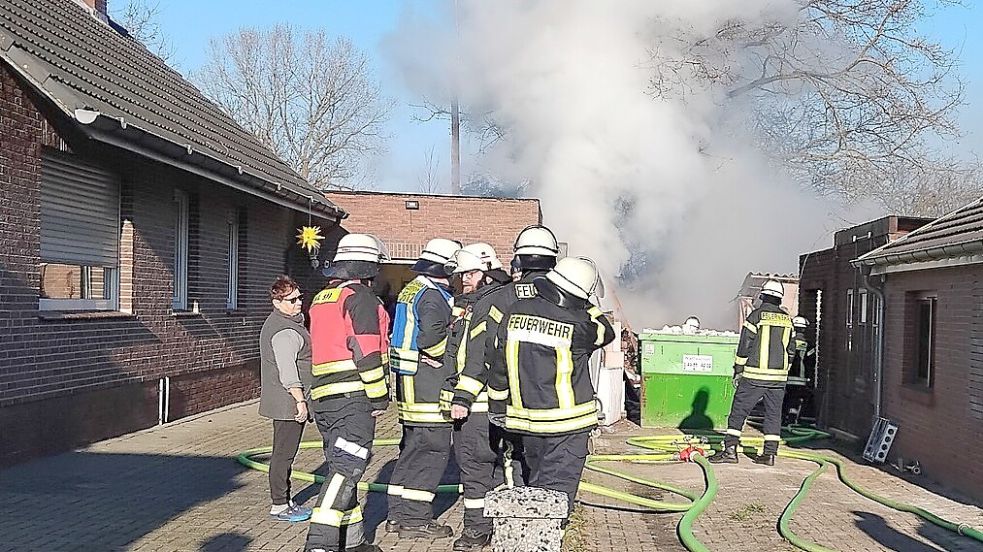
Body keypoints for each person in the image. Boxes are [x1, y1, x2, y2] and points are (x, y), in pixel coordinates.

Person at [486, 256, 616, 521]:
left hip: (525, 424)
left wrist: (497, 407)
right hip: (567, 427)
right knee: (556, 499)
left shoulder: (514, 312)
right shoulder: (579, 325)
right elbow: (607, 331)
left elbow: (498, 364)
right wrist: (586, 304)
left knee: (535, 486)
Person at [304, 234, 391, 552]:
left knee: (343, 469)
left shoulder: (323, 298)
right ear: (370, 267)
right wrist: (379, 396)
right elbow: (366, 350)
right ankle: (320, 543)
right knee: (347, 469)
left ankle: (352, 542)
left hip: (326, 401)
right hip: (353, 400)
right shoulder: (361, 298)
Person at [387, 238, 462, 539]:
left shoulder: (414, 287)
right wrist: (455, 356)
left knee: (412, 450)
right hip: (427, 386)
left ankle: (395, 515)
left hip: (410, 382)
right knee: (433, 451)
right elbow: (431, 340)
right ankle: (416, 519)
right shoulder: (432, 296)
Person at [441, 244, 513, 550]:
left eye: (469, 273)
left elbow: (477, 356)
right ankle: (500, 523)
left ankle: (476, 531)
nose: (463, 280)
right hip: (504, 404)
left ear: (485, 273)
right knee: (499, 466)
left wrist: (462, 399)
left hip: (478, 404)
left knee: (474, 468)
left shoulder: (485, 305)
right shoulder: (501, 298)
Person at [711, 280, 797, 467]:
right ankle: (769, 454)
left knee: (739, 411)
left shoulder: (755, 317)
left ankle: (730, 450)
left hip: (754, 376)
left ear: (763, 296)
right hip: (778, 379)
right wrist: (785, 369)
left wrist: (738, 369)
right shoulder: (787, 319)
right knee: (773, 415)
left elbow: (745, 345)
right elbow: (791, 349)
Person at [259, 275, 313, 523]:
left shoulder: (288, 323)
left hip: (286, 401)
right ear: (277, 302)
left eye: (300, 297)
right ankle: (280, 504)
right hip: (287, 403)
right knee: (283, 454)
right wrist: (300, 400)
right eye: (292, 300)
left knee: (284, 452)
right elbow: (287, 370)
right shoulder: (284, 331)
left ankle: (284, 500)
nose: (298, 303)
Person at [783, 316, 815, 424]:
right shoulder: (809, 345)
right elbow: (811, 362)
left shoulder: (786, 342)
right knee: (795, 400)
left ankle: (783, 419)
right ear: (804, 329)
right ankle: (793, 420)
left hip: (785, 377)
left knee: (785, 399)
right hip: (801, 379)